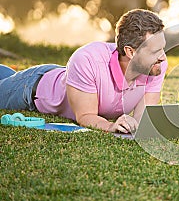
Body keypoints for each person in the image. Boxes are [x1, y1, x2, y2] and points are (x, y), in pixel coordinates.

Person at [0, 9, 167, 133]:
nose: (163, 57)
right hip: (31, 88)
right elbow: (86, 116)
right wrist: (110, 126)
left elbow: (142, 118)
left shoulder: (155, 66)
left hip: (69, 79)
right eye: (154, 51)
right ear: (130, 52)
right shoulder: (87, 59)